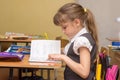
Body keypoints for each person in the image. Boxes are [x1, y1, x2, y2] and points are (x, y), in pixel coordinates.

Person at [48, 2, 99, 80]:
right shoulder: (77, 38)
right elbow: (74, 54)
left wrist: (63, 57)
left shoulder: (82, 41)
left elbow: (84, 72)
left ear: (76, 22)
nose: (63, 31)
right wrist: (61, 51)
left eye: (64, 27)